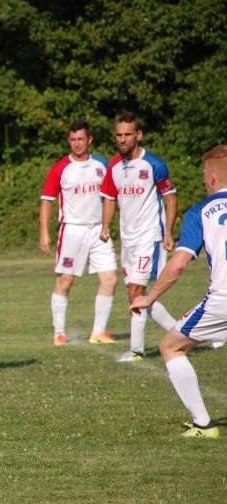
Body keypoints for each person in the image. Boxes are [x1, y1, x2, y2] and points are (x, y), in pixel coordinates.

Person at [129, 145, 227, 438]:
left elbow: (178, 265)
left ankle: (202, 425)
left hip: (223, 299)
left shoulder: (201, 212)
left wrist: (150, 296)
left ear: (211, 178)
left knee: (170, 346)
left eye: (203, 174)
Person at [100, 112, 178, 362]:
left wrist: (168, 232)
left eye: (127, 135)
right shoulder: (113, 166)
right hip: (128, 240)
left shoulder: (153, 164)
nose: (122, 139)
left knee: (136, 292)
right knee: (138, 297)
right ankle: (186, 333)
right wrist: (105, 227)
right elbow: (110, 199)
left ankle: (136, 350)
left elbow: (170, 198)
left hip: (149, 237)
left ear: (138, 135)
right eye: (119, 135)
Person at [40, 120, 118, 346]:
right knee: (65, 281)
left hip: (99, 231)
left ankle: (98, 332)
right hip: (72, 231)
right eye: (72, 140)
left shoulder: (102, 164)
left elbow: (110, 198)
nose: (77, 144)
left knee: (110, 279)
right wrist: (44, 232)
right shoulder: (60, 168)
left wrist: (107, 224)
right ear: (68, 141)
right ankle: (59, 334)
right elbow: (46, 202)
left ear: (90, 140)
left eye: (81, 139)